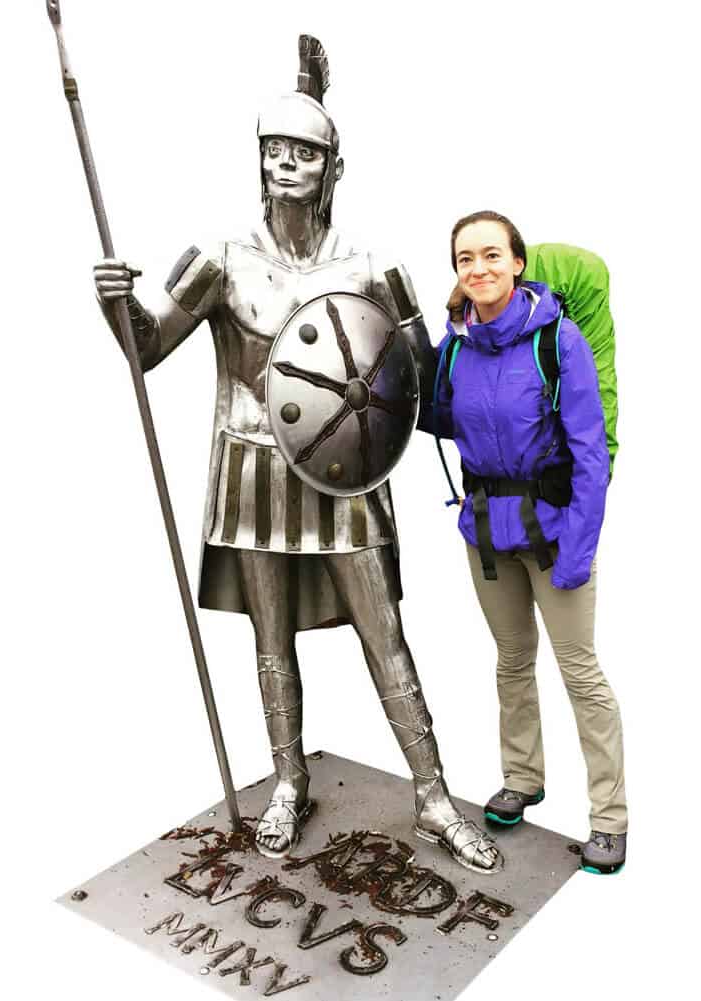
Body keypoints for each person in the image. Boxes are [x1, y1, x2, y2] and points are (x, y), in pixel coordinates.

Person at [93, 38, 500, 873]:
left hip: (349, 479)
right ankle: (288, 780)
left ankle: (432, 794)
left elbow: (421, 385)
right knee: (269, 637)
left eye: (304, 152)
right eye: (274, 150)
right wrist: (115, 306)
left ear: (332, 167)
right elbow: (149, 345)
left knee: (385, 636)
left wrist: (469, 343)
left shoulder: (371, 266)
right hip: (251, 471)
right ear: (258, 160)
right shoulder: (218, 258)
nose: (287, 164)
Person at [419, 210, 627, 874]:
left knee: (580, 672)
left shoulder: (557, 341)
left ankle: (610, 816)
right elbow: (436, 419)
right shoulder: (454, 348)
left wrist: (580, 548)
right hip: (486, 530)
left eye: (489, 255)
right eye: (463, 259)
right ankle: (523, 777)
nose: (477, 268)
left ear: (517, 262)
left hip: (555, 530)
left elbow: (591, 455)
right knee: (511, 661)